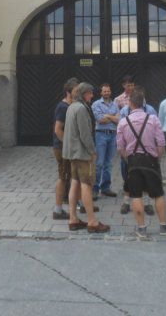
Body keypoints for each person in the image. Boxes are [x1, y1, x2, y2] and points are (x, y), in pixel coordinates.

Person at [117, 88, 166, 238]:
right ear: (143, 103)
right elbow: (161, 143)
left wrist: (128, 159)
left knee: (136, 195)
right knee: (158, 193)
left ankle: (142, 229)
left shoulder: (123, 122)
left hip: (133, 160)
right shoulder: (153, 119)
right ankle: (163, 226)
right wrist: (157, 158)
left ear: (130, 103)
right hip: (151, 160)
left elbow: (120, 148)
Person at [62, 82, 110, 233]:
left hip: (72, 153)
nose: (92, 95)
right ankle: (92, 222)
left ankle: (73, 219)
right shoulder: (81, 109)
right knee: (86, 186)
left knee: (74, 183)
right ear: (83, 94)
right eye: (90, 93)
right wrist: (92, 151)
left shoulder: (71, 106)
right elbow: (85, 134)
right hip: (82, 154)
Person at [117, 84, 156, 217]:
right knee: (128, 177)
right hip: (129, 151)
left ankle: (147, 202)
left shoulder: (150, 110)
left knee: (146, 176)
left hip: (146, 151)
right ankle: (126, 202)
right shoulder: (125, 111)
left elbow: (155, 130)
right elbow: (121, 131)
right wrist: (124, 153)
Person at [51, 77, 77, 221]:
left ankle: (76, 203)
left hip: (66, 147)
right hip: (62, 148)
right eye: (76, 90)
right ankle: (58, 210)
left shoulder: (71, 105)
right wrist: (68, 145)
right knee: (63, 177)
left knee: (70, 176)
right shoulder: (63, 107)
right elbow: (58, 129)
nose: (78, 92)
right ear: (68, 92)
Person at [91, 83, 119, 199]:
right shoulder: (96, 104)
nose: (107, 93)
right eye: (105, 91)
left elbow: (118, 120)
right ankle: (95, 189)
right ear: (101, 92)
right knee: (99, 163)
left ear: (110, 92)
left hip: (113, 135)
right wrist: (112, 117)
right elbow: (100, 120)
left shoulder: (115, 104)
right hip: (101, 135)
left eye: (108, 91)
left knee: (109, 163)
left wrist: (107, 116)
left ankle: (106, 187)